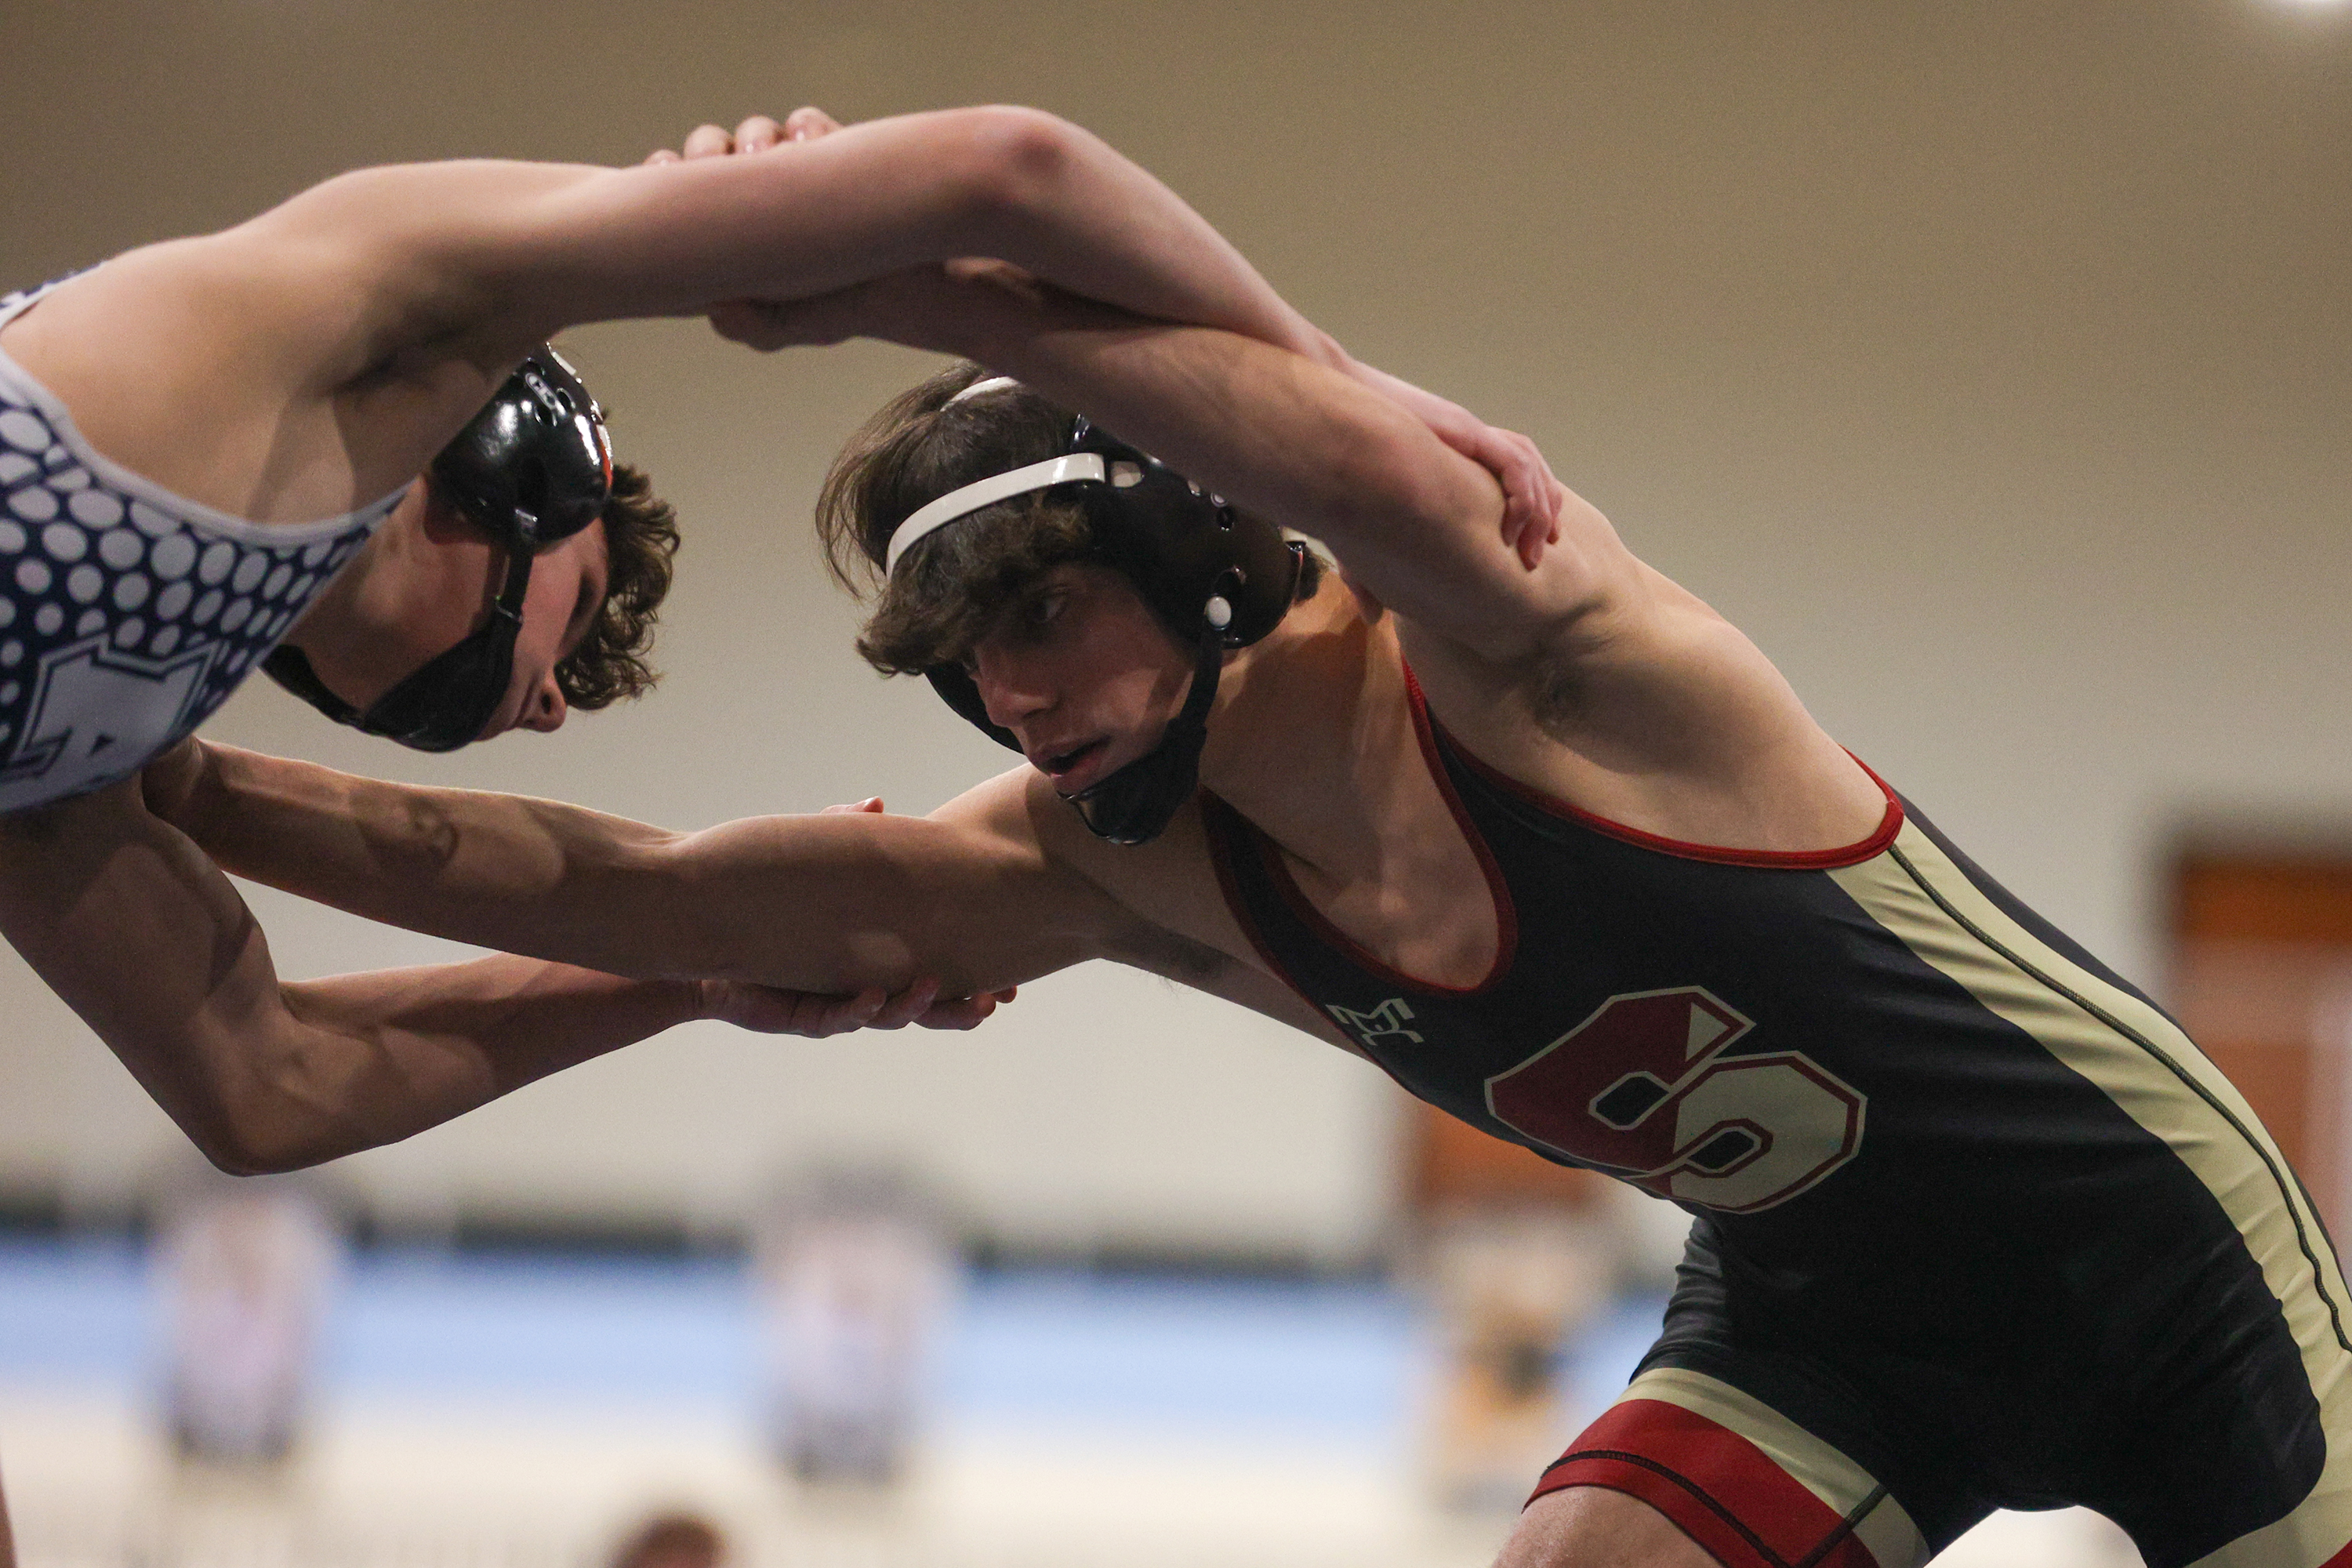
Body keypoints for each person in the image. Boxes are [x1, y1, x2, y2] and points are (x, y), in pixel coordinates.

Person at [140, 111, 2352, 1567]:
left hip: (2155, 1263)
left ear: (1200, 551)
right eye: (965, 663)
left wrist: (910, 285)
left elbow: (1354, 458)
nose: (1012, 698)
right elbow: (642, 897)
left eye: (1041, 618)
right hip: (1824, 1313)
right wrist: (179, 781)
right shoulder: (1121, 863)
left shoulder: (1539, 655)